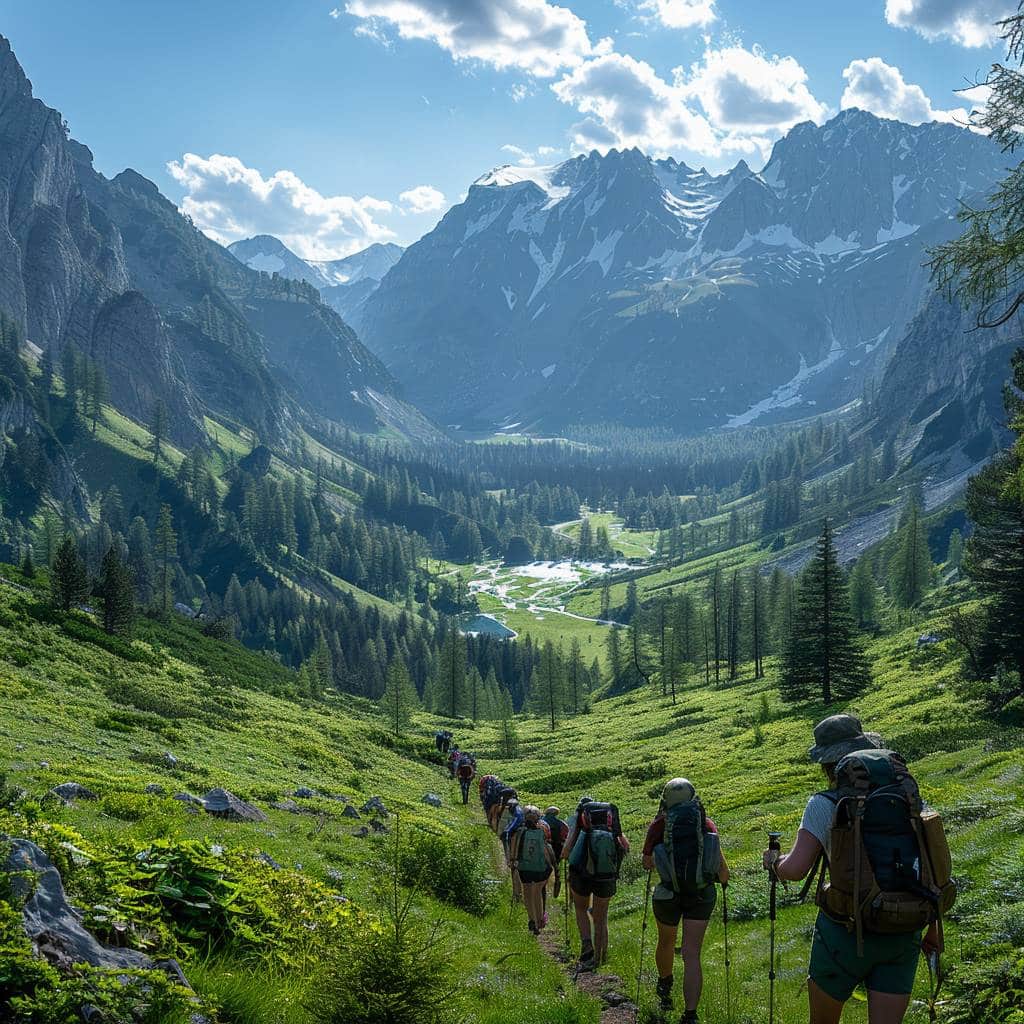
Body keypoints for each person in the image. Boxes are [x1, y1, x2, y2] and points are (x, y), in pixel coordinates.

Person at [762, 714, 945, 1024]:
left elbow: (795, 869)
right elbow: (934, 867)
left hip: (844, 931)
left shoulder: (825, 803)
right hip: (904, 928)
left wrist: (774, 863)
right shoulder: (907, 799)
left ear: (826, 764)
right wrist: (935, 926)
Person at [642, 778, 730, 1022]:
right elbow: (723, 872)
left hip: (668, 895)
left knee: (666, 942)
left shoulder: (659, 825)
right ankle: (690, 1015)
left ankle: (665, 989)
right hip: (701, 894)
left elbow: (647, 863)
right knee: (692, 954)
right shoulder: (707, 824)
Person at [564, 796, 629, 970]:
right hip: (606, 876)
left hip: (581, 874)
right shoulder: (612, 827)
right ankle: (601, 958)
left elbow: (566, 852)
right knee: (601, 917)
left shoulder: (579, 825)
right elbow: (625, 846)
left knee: (581, 908)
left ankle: (587, 945)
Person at [510, 805, 556, 934]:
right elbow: (547, 850)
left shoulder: (519, 832)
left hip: (524, 867)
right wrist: (552, 866)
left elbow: (514, 849)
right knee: (537, 892)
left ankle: (531, 919)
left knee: (527, 892)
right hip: (540, 868)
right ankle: (539, 919)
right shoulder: (542, 830)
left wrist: (513, 862)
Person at [499, 796, 525, 901]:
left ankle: (510, 857)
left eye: (509, 807)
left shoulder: (517, 811)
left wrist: (507, 832)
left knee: (514, 862)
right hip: (522, 830)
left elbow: (515, 823)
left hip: (518, 833)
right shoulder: (519, 809)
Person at [543, 805, 569, 898]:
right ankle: (555, 879)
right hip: (557, 848)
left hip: (543, 846)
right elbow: (565, 836)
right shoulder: (561, 824)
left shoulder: (541, 822)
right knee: (556, 866)